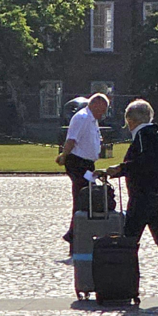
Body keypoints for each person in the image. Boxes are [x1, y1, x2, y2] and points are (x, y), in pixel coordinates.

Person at [103, 99, 158, 303]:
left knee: (129, 242)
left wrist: (121, 168)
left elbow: (145, 164)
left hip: (143, 197)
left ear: (131, 120)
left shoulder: (143, 135)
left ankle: (126, 287)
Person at [57, 92, 108, 247]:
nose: (103, 114)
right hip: (78, 163)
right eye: (102, 110)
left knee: (87, 197)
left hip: (87, 164)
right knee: (82, 197)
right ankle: (74, 234)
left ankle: (75, 232)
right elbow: (71, 139)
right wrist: (63, 156)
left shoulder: (92, 120)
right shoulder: (82, 118)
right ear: (95, 104)